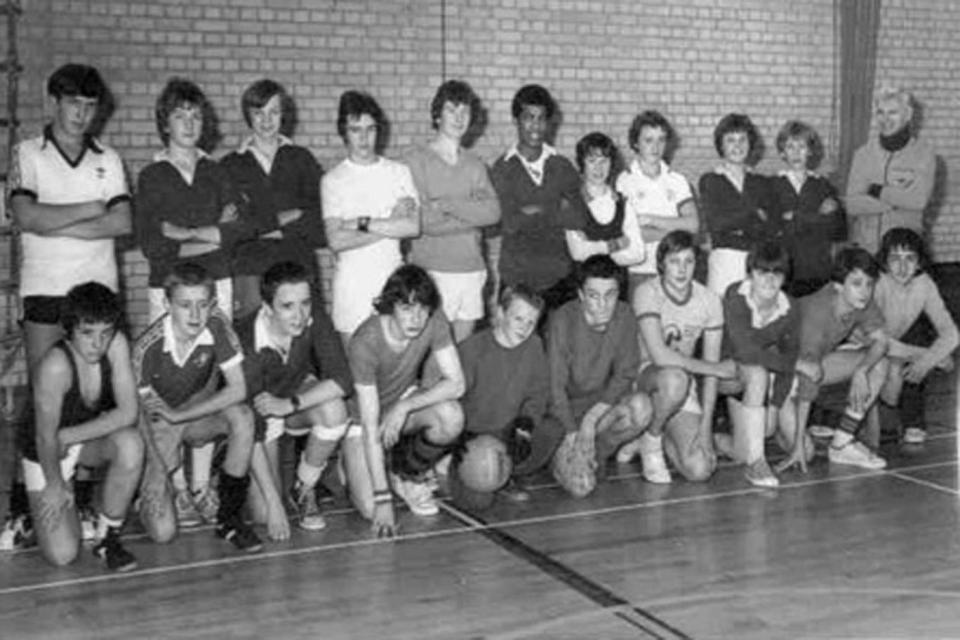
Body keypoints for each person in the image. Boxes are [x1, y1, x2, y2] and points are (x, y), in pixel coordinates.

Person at [3, 63, 132, 551]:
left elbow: (122, 222)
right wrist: (86, 209)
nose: (81, 114)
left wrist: (53, 222)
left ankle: (77, 496)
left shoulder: (110, 159)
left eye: (89, 105)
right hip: (46, 294)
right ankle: (23, 507)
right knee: (44, 403)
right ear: (53, 102)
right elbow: (24, 215)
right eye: (72, 103)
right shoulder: (27, 153)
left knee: (91, 400)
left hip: (98, 299)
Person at [135, 78, 247, 520]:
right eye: (180, 115)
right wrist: (209, 234)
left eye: (196, 115)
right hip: (167, 290)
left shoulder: (217, 170)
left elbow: (233, 234)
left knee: (210, 383)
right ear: (165, 121)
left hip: (217, 284)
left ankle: (202, 486)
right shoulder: (152, 174)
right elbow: (153, 245)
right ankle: (175, 484)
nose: (188, 123)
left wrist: (181, 234)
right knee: (168, 388)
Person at [134, 263, 262, 553]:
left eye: (203, 305)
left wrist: (181, 416)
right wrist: (156, 469)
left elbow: (238, 389)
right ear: (166, 304)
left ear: (213, 304)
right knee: (163, 533)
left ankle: (228, 519)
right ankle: (149, 491)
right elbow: (141, 417)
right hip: (157, 428)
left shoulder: (217, 324)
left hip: (188, 416)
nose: (195, 315)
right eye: (184, 305)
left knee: (242, 416)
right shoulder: (147, 347)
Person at [19, 282, 142, 571]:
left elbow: (128, 412)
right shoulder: (55, 366)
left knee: (130, 444)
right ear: (69, 330)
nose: (98, 344)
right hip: (45, 449)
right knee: (63, 555)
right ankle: (35, 511)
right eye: (87, 334)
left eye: (105, 333)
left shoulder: (117, 344)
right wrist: (54, 484)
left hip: (82, 438)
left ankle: (107, 537)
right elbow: (44, 436)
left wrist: (69, 436)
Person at [235, 261, 356, 539]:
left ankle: (304, 487)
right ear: (267, 308)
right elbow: (250, 429)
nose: (299, 315)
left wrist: (290, 404)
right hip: (252, 419)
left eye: (305, 303)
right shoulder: (244, 340)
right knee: (265, 515)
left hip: (288, 402)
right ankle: (228, 472)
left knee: (335, 410)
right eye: (287, 306)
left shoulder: (315, 319)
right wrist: (275, 505)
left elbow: (343, 380)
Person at [348, 265, 464, 537]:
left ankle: (406, 473)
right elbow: (368, 423)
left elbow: (457, 384)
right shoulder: (365, 342)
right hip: (361, 422)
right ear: (390, 306)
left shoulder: (434, 322)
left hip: (402, 404)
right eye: (407, 308)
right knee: (369, 508)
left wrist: (405, 406)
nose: (417, 318)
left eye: (423, 308)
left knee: (452, 416)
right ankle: (364, 469)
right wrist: (382, 498)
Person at [617, 230, 737, 483]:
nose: (682, 269)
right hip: (643, 379)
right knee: (674, 379)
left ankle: (652, 435)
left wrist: (705, 427)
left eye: (688, 261)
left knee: (700, 469)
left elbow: (713, 369)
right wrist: (712, 369)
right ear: (661, 264)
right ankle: (651, 440)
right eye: (674, 261)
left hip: (680, 385)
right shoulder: (647, 292)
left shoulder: (710, 300)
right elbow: (660, 356)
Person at [547, 255, 652, 496]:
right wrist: (573, 431)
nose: (603, 304)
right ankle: (569, 455)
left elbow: (626, 373)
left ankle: (597, 454)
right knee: (581, 489)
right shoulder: (563, 320)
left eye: (610, 295)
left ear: (619, 293)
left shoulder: (625, 315)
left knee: (641, 408)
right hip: (565, 417)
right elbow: (555, 388)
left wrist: (592, 420)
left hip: (600, 411)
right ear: (581, 295)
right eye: (594, 296)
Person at [406, 79, 501, 342]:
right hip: (433, 272)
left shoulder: (475, 165)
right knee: (432, 357)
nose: (459, 118)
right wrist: (472, 216)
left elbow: (493, 213)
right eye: (452, 110)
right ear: (437, 115)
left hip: (472, 270)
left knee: (460, 358)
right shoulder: (416, 161)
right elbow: (423, 221)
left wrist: (447, 205)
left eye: (465, 112)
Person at [221, 79, 325, 319]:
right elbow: (234, 230)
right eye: (259, 113)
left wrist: (260, 226)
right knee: (254, 347)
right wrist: (291, 215)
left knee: (301, 350)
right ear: (248, 115)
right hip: (251, 272)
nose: (266, 121)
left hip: (299, 271)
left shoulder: (302, 159)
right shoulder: (230, 165)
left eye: (274, 112)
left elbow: (319, 225)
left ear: (283, 115)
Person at [322, 90, 420, 345]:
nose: (364, 138)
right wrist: (390, 220)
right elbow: (336, 241)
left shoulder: (399, 172)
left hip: (392, 283)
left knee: (397, 372)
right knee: (357, 373)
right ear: (344, 132)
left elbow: (412, 226)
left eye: (370, 129)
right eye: (356, 130)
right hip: (352, 288)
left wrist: (360, 224)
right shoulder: (332, 180)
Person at [454, 284, 563, 507]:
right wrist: (458, 435)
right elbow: (454, 397)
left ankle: (507, 473)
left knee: (553, 428)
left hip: (508, 429)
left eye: (531, 322)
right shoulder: (472, 349)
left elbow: (538, 393)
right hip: (474, 434)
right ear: (501, 314)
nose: (524, 328)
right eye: (518, 319)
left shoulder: (534, 345)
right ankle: (466, 471)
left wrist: (525, 424)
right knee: (479, 502)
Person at [715, 242, 810, 487]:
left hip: (759, 377)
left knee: (796, 448)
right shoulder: (735, 295)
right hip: (722, 374)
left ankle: (719, 439)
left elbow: (788, 361)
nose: (769, 281)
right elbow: (744, 352)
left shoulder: (791, 307)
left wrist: (776, 407)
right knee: (757, 374)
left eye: (776, 273)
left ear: (785, 277)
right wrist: (790, 363)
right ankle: (756, 463)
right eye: (761, 272)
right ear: (750, 274)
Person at [788, 247, 890, 470]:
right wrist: (797, 444)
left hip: (814, 368)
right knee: (803, 450)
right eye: (856, 283)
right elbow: (808, 377)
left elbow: (881, 341)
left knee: (879, 365)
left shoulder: (861, 301)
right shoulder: (817, 312)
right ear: (838, 285)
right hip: (783, 375)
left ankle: (841, 444)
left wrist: (862, 370)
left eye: (869, 284)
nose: (864, 291)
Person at [489, 84, 589, 312]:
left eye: (542, 118)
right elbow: (510, 223)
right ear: (516, 121)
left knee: (560, 347)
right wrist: (556, 207)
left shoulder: (562, 166)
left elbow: (579, 218)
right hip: (516, 280)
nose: (536, 126)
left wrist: (532, 209)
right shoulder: (502, 168)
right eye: (529, 117)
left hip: (560, 279)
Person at [873, 228, 958, 445]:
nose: (902, 267)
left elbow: (951, 333)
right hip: (859, 343)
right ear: (884, 260)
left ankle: (912, 420)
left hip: (893, 342)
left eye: (910, 259)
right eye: (895, 258)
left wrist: (926, 362)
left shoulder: (925, 283)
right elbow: (876, 340)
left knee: (920, 342)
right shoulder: (877, 283)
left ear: (920, 262)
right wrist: (932, 357)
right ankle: (834, 417)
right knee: (896, 368)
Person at [615, 110, 698, 293]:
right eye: (648, 140)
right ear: (636, 143)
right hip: (641, 271)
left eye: (661, 140)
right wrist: (676, 232)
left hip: (677, 272)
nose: (656, 147)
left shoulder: (677, 180)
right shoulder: (624, 181)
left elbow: (692, 225)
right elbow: (631, 235)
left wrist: (650, 220)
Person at [845, 86, 935, 254]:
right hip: (867, 249)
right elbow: (853, 205)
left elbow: (917, 201)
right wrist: (897, 200)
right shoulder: (862, 154)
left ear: (907, 115)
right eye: (880, 112)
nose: (885, 119)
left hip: (904, 253)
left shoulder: (924, 154)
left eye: (893, 112)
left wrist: (874, 189)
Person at [699, 113, 779, 296]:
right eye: (730, 140)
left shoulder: (762, 183)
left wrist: (735, 223)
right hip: (724, 263)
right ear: (721, 145)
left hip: (757, 263)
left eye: (742, 140)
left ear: (750, 144)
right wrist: (753, 214)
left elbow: (771, 228)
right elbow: (716, 225)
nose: (737, 146)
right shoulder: (710, 180)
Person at [771, 120, 847, 298]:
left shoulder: (823, 186)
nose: (796, 153)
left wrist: (795, 217)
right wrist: (818, 216)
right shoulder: (772, 185)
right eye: (790, 147)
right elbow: (775, 227)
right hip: (783, 271)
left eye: (802, 146)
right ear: (782, 152)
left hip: (817, 269)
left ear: (810, 151)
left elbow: (837, 229)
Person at [567, 132, 645, 279]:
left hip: (617, 288)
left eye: (604, 161)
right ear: (582, 163)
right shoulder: (571, 204)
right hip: (584, 288)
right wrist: (616, 244)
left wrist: (594, 248)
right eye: (592, 161)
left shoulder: (623, 203)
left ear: (611, 163)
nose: (599, 168)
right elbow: (578, 252)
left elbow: (638, 253)